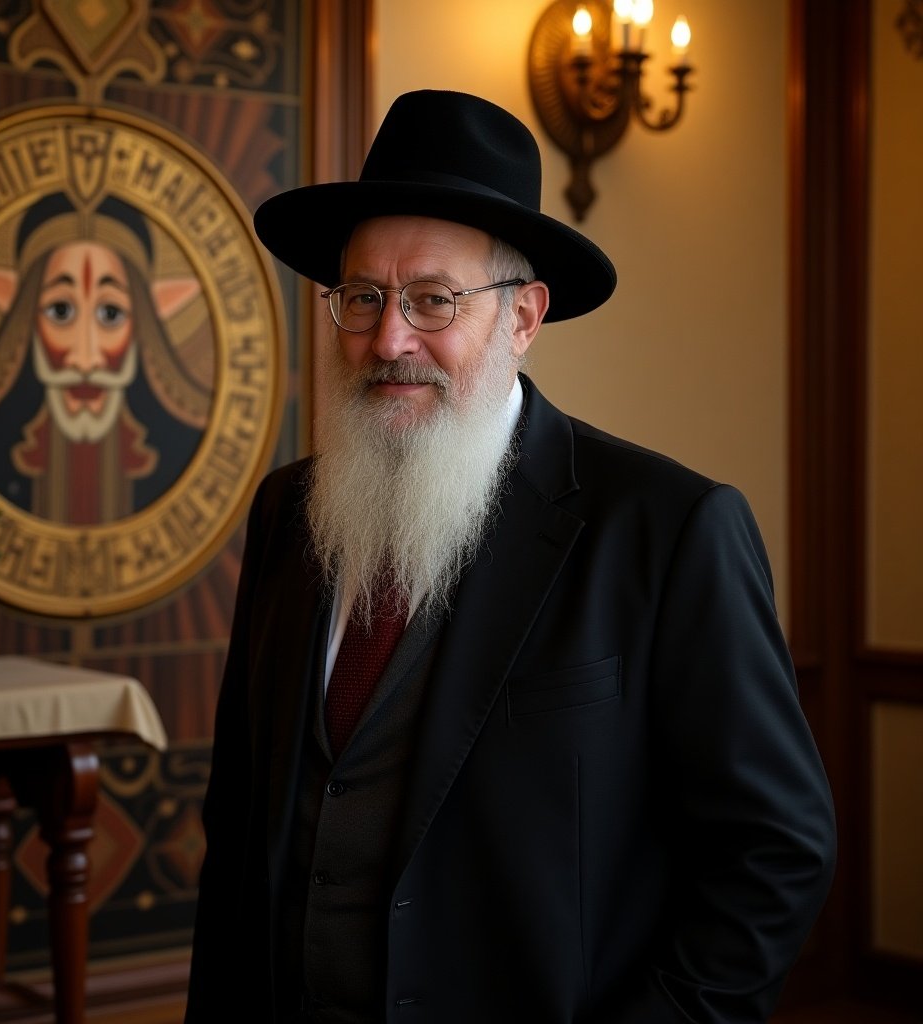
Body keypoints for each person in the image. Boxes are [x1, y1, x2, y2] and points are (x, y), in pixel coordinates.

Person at [186, 90, 836, 1024]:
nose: (389, 338)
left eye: (433, 299)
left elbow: (778, 849)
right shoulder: (288, 512)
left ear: (523, 317)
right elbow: (242, 827)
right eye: (362, 297)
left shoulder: (666, 529)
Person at [0, 192, 209, 524]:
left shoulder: (188, 450)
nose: (85, 359)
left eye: (111, 313)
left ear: (146, 320)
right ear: (22, 318)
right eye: (61, 311)